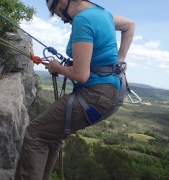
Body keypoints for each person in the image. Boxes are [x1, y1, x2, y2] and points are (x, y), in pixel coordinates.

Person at [14, 0, 135, 179]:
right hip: (111, 93)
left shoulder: (83, 20)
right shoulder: (103, 14)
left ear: (62, 1)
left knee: (35, 133)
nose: (62, 19)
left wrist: (57, 68)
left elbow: (81, 75)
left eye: (56, 12)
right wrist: (121, 58)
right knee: (51, 136)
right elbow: (130, 26)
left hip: (95, 95)